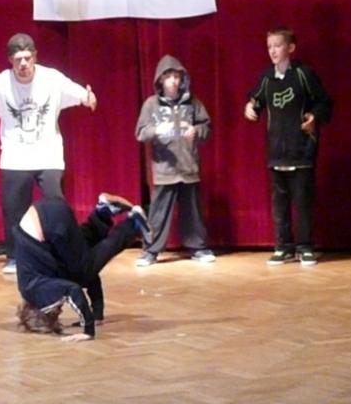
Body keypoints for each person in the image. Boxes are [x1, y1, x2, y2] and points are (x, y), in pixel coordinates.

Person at [0, 33, 97, 275]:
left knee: (55, 206)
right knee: (14, 209)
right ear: (10, 61)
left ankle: (61, 255)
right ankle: (16, 258)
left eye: (27, 58)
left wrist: (88, 98)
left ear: (35, 56)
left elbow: (81, 95)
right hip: (16, 157)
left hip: (48, 154)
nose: (23, 64)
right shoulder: (1, 83)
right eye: (18, 60)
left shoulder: (51, 78)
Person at [244, 26, 332, 266]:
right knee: (279, 203)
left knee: (303, 201)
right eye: (269, 46)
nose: (273, 51)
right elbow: (255, 99)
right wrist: (250, 107)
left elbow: (324, 102)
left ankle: (305, 246)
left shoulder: (303, 75)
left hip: (301, 149)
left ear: (290, 48)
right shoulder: (266, 78)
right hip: (276, 151)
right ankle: (283, 246)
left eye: (278, 46)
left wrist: (314, 117)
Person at [15, 193, 150, 342]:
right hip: (46, 211)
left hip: (47, 224)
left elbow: (73, 290)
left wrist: (88, 330)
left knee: (84, 271)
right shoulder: (30, 284)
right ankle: (103, 213)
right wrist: (97, 314)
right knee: (78, 262)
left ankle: (133, 225)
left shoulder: (38, 295)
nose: (60, 311)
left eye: (57, 313)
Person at [134, 54, 216, 267]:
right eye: (169, 76)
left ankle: (198, 247)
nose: (173, 81)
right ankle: (150, 251)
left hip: (188, 166)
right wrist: (156, 129)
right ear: (160, 79)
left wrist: (196, 130)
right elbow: (140, 132)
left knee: (193, 212)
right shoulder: (151, 104)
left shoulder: (193, 102)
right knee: (158, 212)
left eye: (177, 76)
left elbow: (207, 127)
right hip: (165, 169)